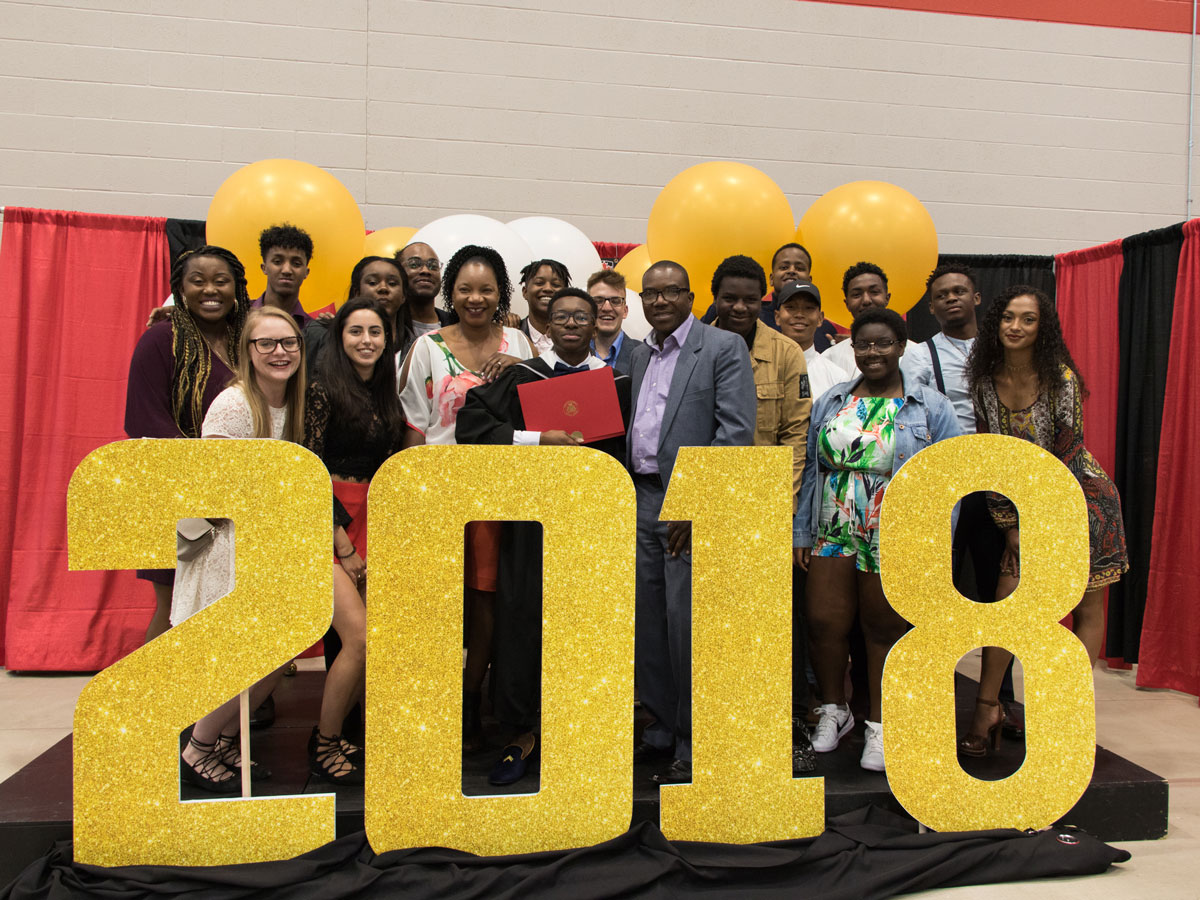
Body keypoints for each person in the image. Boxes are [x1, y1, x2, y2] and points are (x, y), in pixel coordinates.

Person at [457, 287, 632, 785]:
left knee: (590, 624)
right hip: (532, 526)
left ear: (597, 321)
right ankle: (522, 731)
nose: (573, 323)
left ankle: (586, 727)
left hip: (596, 526)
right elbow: (472, 424)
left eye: (582, 315)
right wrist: (537, 440)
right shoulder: (522, 376)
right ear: (547, 327)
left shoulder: (619, 381)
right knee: (524, 622)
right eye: (562, 317)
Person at [959, 286, 1129, 756]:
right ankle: (987, 706)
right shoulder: (983, 383)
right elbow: (994, 460)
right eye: (1008, 317)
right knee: (1006, 603)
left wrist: (1036, 520)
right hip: (1019, 507)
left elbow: (1068, 455)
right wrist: (1011, 525)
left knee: (1086, 608)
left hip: (1082, 503)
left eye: (1028, 320)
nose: (1015, 327)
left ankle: (1068, 712)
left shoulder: (1061, 379)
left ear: (1042, 329)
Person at [795, 307, 960, 772]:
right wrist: (802, 532)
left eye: (883, 343)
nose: (872, 352)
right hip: (834, 520)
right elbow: (811, 468)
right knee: (824, 621)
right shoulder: (831, 400)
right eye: (863, 344)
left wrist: (932, 542)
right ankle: (834, 710)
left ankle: (881, 727)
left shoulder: (930, 406)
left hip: (894, 526)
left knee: (883, 627)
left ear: (901, 346)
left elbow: (949, 480)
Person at [400, 244, 536, 751]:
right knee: (439, 602)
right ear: (449, 293)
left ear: (500, 293)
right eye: (465, 289)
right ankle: (431, 701)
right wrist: (412, 497)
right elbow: (415, 423)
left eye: (486, 289)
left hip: (506, 493)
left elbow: (535, 413)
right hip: (440, 492)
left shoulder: (521, 344)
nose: (475, 299)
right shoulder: (428, 347)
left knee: (488, 603)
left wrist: (521, 368)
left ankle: (470, 699)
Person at [628, 260, 756, 785]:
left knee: (687, 628)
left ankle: (692, 741)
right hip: (640, 498)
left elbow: (736, 433)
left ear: (689, 295)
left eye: (671, 292)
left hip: (690, 506)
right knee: (647, 623)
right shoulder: (638, 354)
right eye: (650, 294)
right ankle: (659, 728)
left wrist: (697, 502)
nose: (660, 302)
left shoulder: (722, 348)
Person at [175, 307, 306, 792]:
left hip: (267, 548)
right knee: (242, 659)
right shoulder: (233, 405)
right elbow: (215, 491)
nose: (279, 352)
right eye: (266, 344)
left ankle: (227, 743)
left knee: (275, 656)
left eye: (288, 343)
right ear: (246, 352)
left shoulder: (289, 404)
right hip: (229, 550)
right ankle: (198, 750)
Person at [303, 296, 407, 783]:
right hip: (329, 521)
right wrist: (340, 541)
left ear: (387, 342)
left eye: (376, 333)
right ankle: (323, 741)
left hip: (374, 516)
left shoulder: (386, 393)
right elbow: (308, 470)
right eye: (355, 331)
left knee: (376, 640)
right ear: (339, 338)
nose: (366, 341)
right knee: (358, 638)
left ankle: (357, 734)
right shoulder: (321, 390)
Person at [125, 246, 250, 642]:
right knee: (174, 607)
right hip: (178, 494)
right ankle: (159, 697)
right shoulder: (161, 341)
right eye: (198, 281)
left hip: (243, 496)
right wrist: (205, 477)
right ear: (180, 287)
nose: (209, 289)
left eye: (221, 281)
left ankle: (237, 700)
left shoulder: (249, 342)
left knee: (235, 604)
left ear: (237, 289)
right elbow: (144, 420)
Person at [701, 243, 837, 350]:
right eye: (784, 267)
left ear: (809, 279)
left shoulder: (823, 327)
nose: (791, 271)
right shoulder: (746, 313)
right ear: (771, 279)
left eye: (799, 268)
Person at [306, 256, 412, 379]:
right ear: (357, 292)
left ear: (404, 296)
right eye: (373, 282)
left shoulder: (417, 347)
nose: (383, 288)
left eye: (392, 283)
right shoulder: (322, 334)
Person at [820, 262, 919, 381]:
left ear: (887, 298)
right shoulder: (830, 358)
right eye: (857, 294)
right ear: (847, 304)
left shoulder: (917, 354)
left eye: (874, 292)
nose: (866, 300)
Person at [775, 281, 844, 402]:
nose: (799, 314)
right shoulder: (758, 368)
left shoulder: (837, 377)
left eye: (809, 308)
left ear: (820, 318)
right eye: (791, 307)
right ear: (777, 317)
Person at [253, 223, 315, 329]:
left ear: (306, 272)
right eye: (277, 261)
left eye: (296, 264)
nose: (287, 270)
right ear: (264, 268)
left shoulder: (314, 331)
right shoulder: (239, 318)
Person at [396, 242, 451, 337]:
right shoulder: (386, 325)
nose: (425, 270)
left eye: (433, 266)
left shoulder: (458, 325)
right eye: (414, 264)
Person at [587, 268, 635, 374]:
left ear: (625, 311)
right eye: (598, 301)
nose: (607, 308)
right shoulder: (571, 354)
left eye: (615, 301)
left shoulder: (644, 356)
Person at [518, 259, 571, 354]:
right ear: (525, 292)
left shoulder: (578, 337)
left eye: (556, 284)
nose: (548, 289)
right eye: (539, 283)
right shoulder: (512, 334)